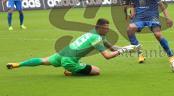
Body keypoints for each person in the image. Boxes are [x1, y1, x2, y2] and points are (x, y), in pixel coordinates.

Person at [6, 18, 138, 76]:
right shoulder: (97, 38)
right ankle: (71, 71)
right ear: (99, 28)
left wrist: (127, 47)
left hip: (63, 53)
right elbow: (108, 56)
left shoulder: (95, 33)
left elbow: (112, 48)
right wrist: (125, 50)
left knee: (43, 60)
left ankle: (18, 64)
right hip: (69, 61)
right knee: (97, 71)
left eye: (108, 28)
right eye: (105, 28)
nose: (107, 30)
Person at [127, 0, 174, 64]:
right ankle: (140, 53)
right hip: (140, 17)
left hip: (152, 16)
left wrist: (168, 17)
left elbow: (161, 5)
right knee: (129, 29)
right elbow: (133, 4)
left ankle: (171, 55)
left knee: (157, 34)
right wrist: (132, 13)